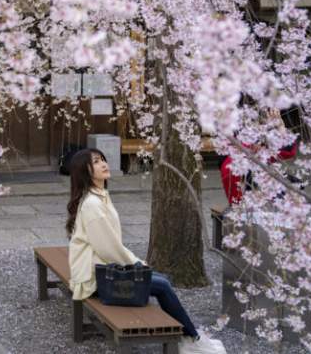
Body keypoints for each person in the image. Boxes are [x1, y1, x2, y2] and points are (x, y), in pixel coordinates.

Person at [66, 149, 225, 354]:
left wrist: (136, 262)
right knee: (162, 285)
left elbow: (110, 246)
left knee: (161, 280)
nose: (104, 164)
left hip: (102, 269)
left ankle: (189, 337)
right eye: (96, 162)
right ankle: (191, 340)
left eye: (103, 159)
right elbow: (108, 249)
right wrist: (137, 264)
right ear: (85, 171)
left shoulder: (100, 196)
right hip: (94, 278)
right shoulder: (93, 204)